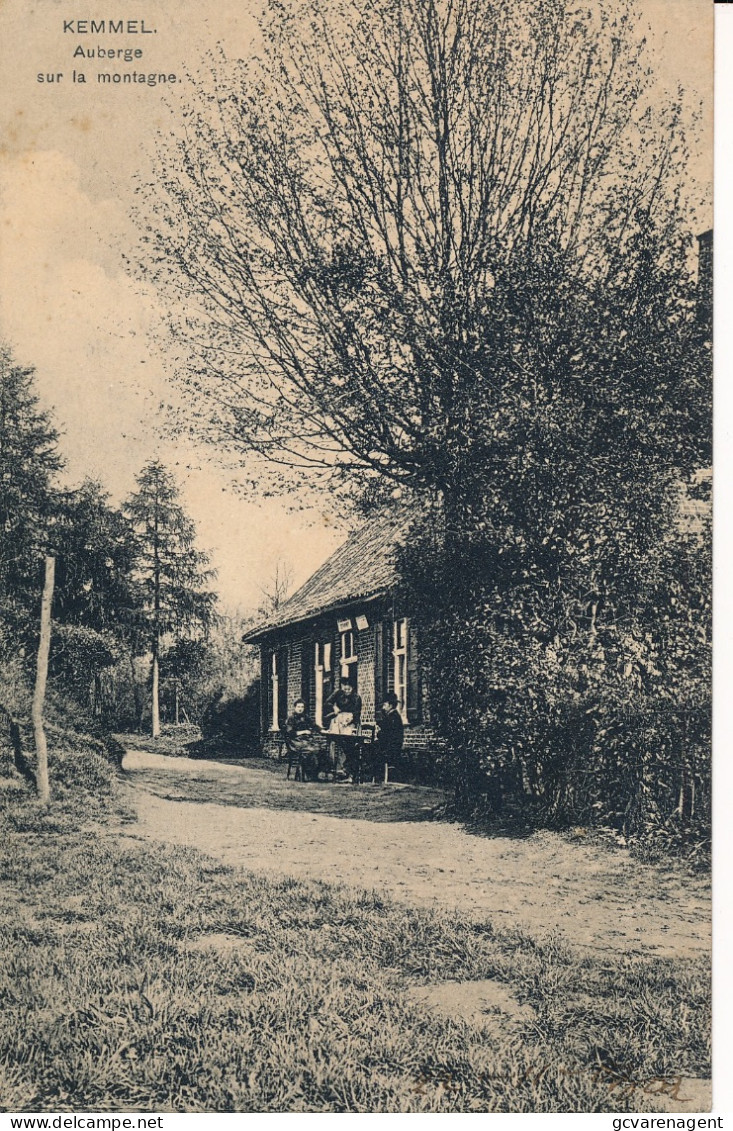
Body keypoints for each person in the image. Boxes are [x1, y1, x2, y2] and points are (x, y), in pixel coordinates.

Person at [325, 678, 362, 780]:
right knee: (335, 742)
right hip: (338, 721)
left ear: (352, 688)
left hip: (350, 723)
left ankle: (348, 771)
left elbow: (357, 713)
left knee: (348, 744)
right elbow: (327, 703)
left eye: (349, 688)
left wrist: (350, 720)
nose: (347, 690)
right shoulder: (338, 694)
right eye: (345, 688)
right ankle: (335, 769)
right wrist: (334, 707)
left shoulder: (356, 697)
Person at [283, 698, 322, 781]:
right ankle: (304, 774)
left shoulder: (306, 717)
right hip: (294, 741)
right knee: (309, 750)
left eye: (302, 707)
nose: (300, 709)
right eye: (298, 707)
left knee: (319, 749)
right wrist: (303, 732)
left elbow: (314, 725)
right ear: (295, 708)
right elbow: (290, 733)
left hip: (305, 741)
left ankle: (312, 774)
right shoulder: (291, 718)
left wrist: (322, 730)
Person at [376, 692, 404, 778]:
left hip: (391, 747)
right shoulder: (391, 716)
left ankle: (375, 774)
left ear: (390, 705)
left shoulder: (393, 717)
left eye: (385, 705)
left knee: (370, 748)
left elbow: (386, 735)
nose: (383, 707)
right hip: (391, 745)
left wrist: (378, 733)